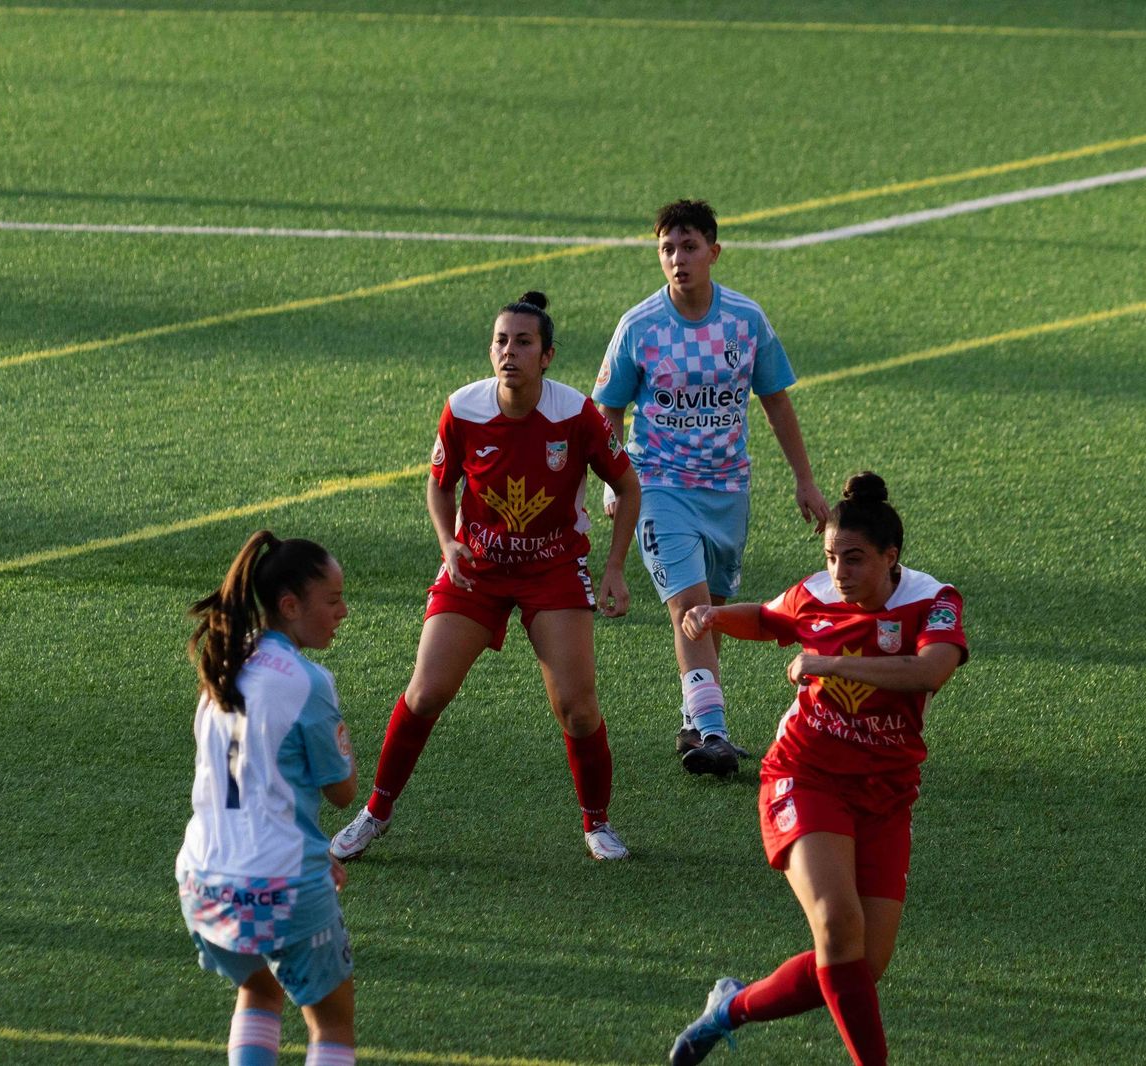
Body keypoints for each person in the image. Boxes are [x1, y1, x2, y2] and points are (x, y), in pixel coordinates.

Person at [667, 473, 968, 1066]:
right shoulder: (815, 595)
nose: (840, 573)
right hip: (804, 776)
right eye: (831, 558)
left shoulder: (934, 602)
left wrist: (831, 662)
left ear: (891, 557)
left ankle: (729, 1009)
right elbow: (771, 619)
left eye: (854, 560)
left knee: (861, 964)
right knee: (836, 924)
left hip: (886, 792)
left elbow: (930, 671)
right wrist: (712, 616)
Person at [331, 291, 642, 862]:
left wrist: (616, 568)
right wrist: (449, 542)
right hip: (476, 568)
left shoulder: (578, 415)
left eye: (523, 343)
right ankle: (376, 812)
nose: (509, 352)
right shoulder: (463, 409)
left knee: (577, 706)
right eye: (501, 341)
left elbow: (627, 486)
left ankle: (596, 824)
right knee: (426, 692)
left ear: (547, 356)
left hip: (552, 567)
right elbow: (439, 482)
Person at [593, 198, 830, 777]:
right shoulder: (640, 326)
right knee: (692, 608)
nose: (678, 258)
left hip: (728, 490)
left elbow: (775, 398)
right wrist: (615, 480)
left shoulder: (746, 321)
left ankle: (693, 721)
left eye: (690, 246)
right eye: (667, 249)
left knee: (712, 613)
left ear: (714, 252)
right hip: (659, 486)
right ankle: (716, 734)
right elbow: (607, 407)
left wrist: (804, 479)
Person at [176, 531, 359, 1066]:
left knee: (259, 988)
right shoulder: (307, 681)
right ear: (289, 605)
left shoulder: (223, 665)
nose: (343, 611)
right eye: (332, 600)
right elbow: (343, 791)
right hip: (281, 883)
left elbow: (248, 785)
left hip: (204, 881)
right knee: (332, 1025)